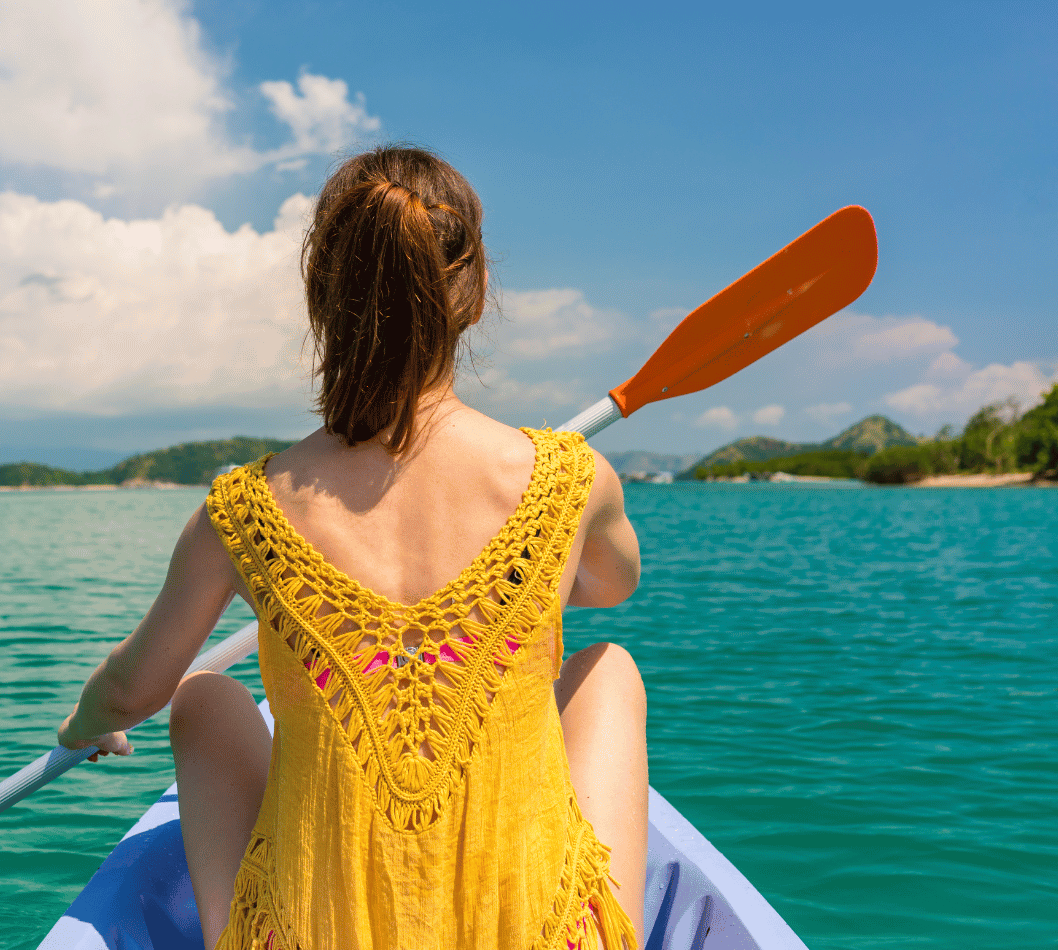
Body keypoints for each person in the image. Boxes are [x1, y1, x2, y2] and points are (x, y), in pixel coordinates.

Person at [56, 146, 647, 950]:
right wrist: (518, 586)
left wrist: (85, 722)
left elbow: (132, 689)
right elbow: (613, 584)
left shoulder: (246, 512)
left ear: (323, 299)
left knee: (199, 696)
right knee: (606, 666)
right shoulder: (570, 480)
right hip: (536, 937)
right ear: (470, 298)